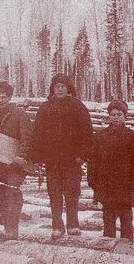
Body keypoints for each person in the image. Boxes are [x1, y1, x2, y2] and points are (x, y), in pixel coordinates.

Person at [30, 74, 93, 239]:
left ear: (68, 89)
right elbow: (37, 134)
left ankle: (73, 224)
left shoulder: (78, 107)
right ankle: (57, 226)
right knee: (54, 193)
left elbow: (86, 133)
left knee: (72, 192)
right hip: (52, 160)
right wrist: (37, 157)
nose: (59, 89)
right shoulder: (45, 108)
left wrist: (82, 154)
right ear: (52, 89)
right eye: (56, 86)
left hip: (72, 160)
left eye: (62, 86)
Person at [87, 100, 134, 242]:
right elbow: (93, 161)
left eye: (119, 115)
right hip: (106, 185)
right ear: (109, 116)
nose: (116, 118)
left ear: (125, 116)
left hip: (125, 185)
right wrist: (93, 181)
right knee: (108, 220)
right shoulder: (100, 137)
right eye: (113, 115)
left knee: (126, 221)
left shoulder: (132, 137)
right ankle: (108, 251)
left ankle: (128, 252)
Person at [0, 81, 33, 241]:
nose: (1, 100)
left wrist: (21, 156)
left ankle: (12, 230)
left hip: (15, 164)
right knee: (0, 195)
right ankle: (6, 227)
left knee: (11, 193)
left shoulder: (20, 114)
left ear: (10, 97)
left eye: (4, 97)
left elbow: (27, 137)